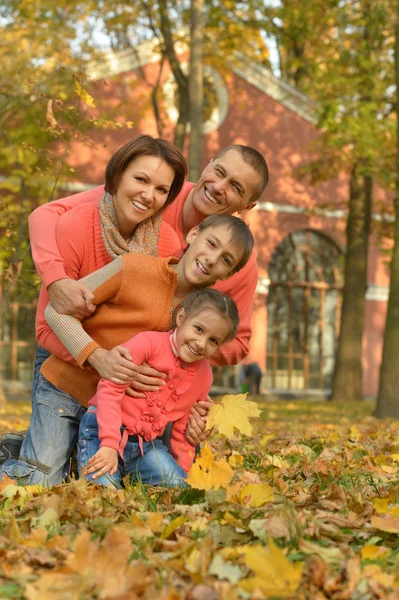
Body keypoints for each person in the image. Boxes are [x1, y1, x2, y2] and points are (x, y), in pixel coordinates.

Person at [3, 215, 254, 486]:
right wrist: (98, 358)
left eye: (226, 260)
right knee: (39, 483)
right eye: (211, 244)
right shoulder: (134, 268)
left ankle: (72, 453)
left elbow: (186, 386)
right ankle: (18, 451)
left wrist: (198, 416)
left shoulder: (205, 320)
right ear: (193, 234)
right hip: (69, 387)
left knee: (160, 477)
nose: (213, 258)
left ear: (227, 274)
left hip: (127, 419)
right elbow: (56, 310)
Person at [79, 289, 239, 488]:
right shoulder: (148, 343)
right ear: (181, 318)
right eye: (198, 329)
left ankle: (137, 471)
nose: (201, 343)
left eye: (213, 341)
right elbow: (110, 389)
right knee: (102, 491)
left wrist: (182, 471)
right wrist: (109, 444)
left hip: (145, 445)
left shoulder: (204, 375)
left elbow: (184, 429)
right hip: (101, 431)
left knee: (180, 488)